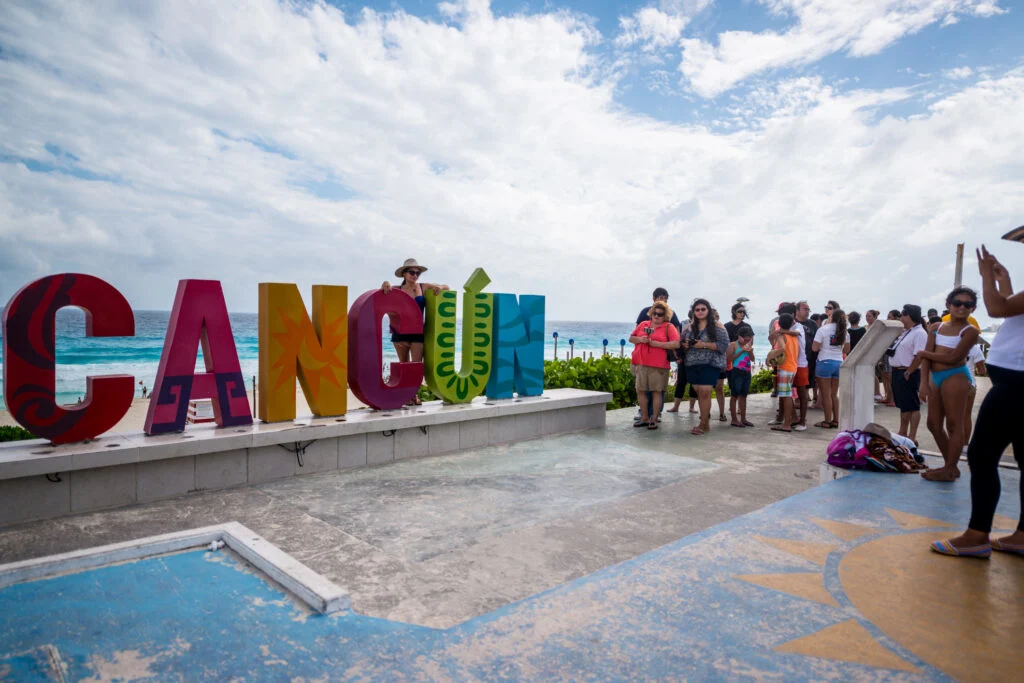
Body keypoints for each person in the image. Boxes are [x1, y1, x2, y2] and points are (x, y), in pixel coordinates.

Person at [932, 245, 1024, 558]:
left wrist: (985, 276)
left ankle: (976, 535)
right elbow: (1012, 310)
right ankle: (1021, 535)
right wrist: (1003, 279)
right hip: (1015, 383)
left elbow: (997, 309)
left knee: (982, 455)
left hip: (1016, 385)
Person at [908, 287, 981, 482]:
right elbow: (927, 358)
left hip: (956, 376)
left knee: (954, 424)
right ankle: (950, 466)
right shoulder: (936, 327)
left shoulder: (970, 331)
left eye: (968, 304)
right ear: (948, 305)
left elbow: (954, 357)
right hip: (936, 378)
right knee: (933, 424)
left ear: (973, 308)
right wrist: (924, 382)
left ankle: (949, 468)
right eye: (958, 303)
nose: (962, 307)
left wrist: (925, 353)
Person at [382, 258, 449, 404]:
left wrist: (440, 287)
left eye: (418, 273)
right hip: (400, 333)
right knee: (404, 365)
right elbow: (383, 295)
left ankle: (413, 394)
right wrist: (385, 283)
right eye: (412, 272)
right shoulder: (396, 290)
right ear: (404, 274)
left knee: (416, 367)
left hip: (417, 333)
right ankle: (406, 396)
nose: (415, 275)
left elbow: (446, 287)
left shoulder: (423, 287)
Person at [628, 302, 681, 430]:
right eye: (654, 313)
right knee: (641, 391)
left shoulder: (669, 327)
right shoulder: (643, 324)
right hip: (641, 363)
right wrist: (641, 340)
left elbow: (676, 344)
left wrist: (657, 344)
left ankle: (654, 418)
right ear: (651, 313)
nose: (656, 316)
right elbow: (631, 338)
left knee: (656, 392)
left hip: (659, 365)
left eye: (660, 314)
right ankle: (644, 417)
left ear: (665, 316)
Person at [684, 299, 728, 435]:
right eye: (697, 310)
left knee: (705, 392)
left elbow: (723, 345)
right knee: (699, 392)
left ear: (708, 310)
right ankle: (704, 422)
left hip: (710, 363)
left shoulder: (717, 326)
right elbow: (682, 342)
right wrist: (685, 344)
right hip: (692, 363)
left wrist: (703, 345)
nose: (700, 312)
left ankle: (704, 424)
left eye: (703, 309)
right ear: (693, 312)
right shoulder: (689, 327)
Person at [888, 304, 929, 444]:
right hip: (899, 371)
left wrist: (909, 371)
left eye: (902, 315)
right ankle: (903, 432)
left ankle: (912, 436)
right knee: (904, 405)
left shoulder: (919, 333)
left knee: (913, 405)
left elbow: (919, 355)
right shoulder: (908, 331)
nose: (900, 318)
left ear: (908, 316)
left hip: (907, 372)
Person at [812, 308, 850, 429]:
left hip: (825, 362)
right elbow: (846, 350)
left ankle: (827, 421)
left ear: (831, 317)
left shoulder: (823, 329)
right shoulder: (845, 332)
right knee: (834, 394)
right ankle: (836, 420)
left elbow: (814, 348)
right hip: (839, 363)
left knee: (826, 394)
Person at [767, 314, 799, 433]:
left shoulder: (782, 336)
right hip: (793, 367)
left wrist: (770, 357)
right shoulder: (793, 336)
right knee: (787, 394)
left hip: (785, 367)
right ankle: (789, 421)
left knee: (786, 396)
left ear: (779, 323)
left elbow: (782, 348)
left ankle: (786, 424)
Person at [793, 301, 817, 430]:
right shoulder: (793, 323)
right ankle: (794, 416)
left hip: (809, 359)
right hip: (794, 360)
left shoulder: (812, 324)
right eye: (805, 309)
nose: (807, 311)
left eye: (808, 309)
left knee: (805, 387)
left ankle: (802, 417)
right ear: (797, 311)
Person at [727, 325, 755, 427]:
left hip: (747, 372)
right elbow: (729, 358)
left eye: (749, 338)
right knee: (734, 395)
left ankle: (743, 418)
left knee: (744, 395)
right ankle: (734, 419)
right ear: (740, 337)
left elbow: (752, 359)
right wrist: (742, 350)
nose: (748, 340)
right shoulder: (733, 345)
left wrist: (750, 351)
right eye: (746, 338)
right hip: (736, 372)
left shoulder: (749, 345)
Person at [713, 309, 728, 422]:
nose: (717, 318)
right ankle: (705, 412)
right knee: (705, 390)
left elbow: (724, 345)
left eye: (718, 316)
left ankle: (722, 413)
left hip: (719, 363)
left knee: (719, 389)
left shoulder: (722, 328)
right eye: (715, 316)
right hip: (707, 363)